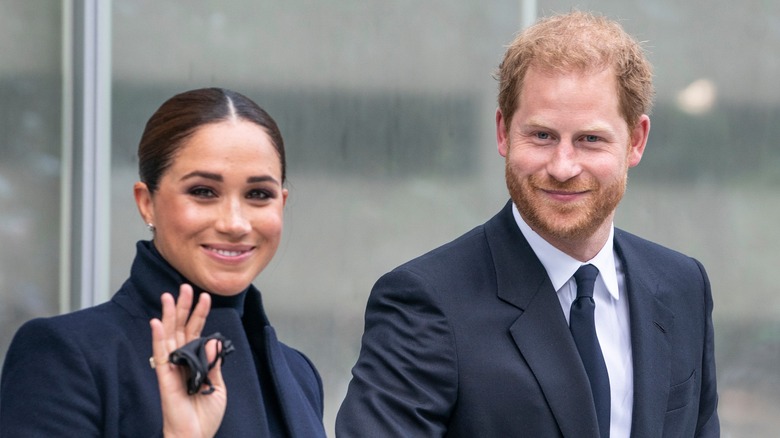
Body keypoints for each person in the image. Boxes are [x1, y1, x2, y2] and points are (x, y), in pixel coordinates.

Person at [336, 11, 719, 438]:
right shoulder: (424, 302)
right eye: (541, 136)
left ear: (637, 141)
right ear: (503, 132)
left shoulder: (683, 286)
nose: (562, 166)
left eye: (590, 139)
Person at [0, 87, 327, 437]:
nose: (235, 222)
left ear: (282, 203)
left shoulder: (297, 373)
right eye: (203, 191)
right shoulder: (65, 357)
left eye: (258, 195)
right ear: (146, 203)